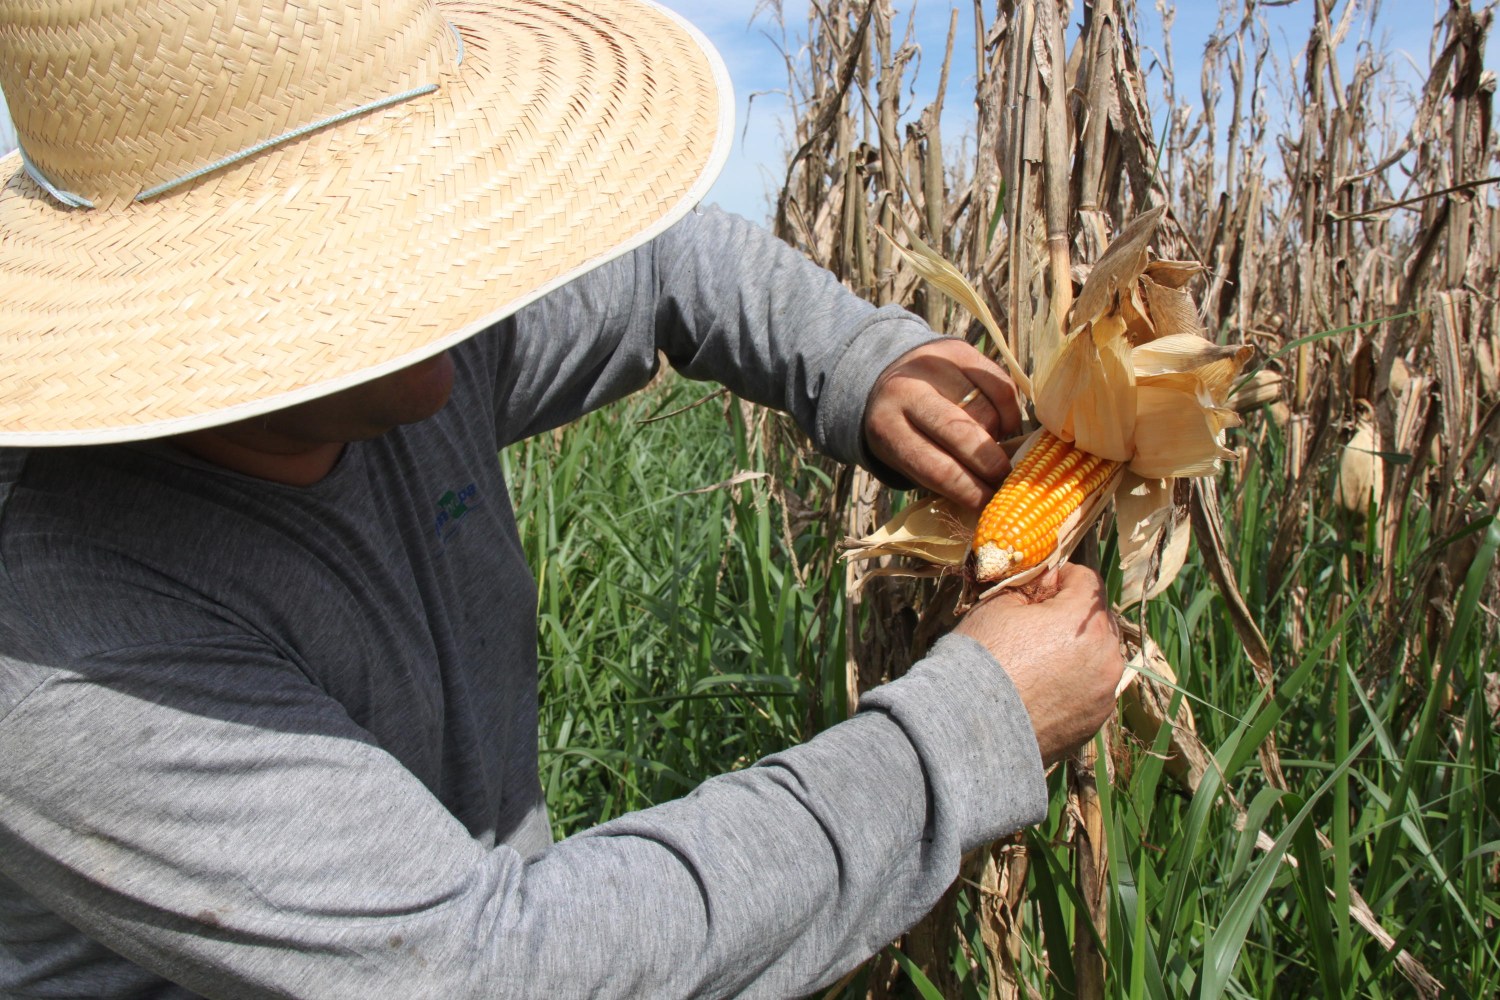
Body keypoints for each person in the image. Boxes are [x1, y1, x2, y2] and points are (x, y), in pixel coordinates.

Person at [0, 1, 1124, 997]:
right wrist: (971, 729)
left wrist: (862, 365)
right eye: (374, 231)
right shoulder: (65, 650)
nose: (462, 258)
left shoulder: (397, 355)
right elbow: (498, 966)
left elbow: (663, 267)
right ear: (207, 298)